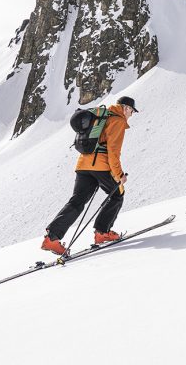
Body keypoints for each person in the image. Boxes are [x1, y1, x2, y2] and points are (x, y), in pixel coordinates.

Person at [41, 96, 139, 255]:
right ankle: (102, 232)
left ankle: (52, 238)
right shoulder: (117, 121)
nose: (131, 114)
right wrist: (119, 175)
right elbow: (113, 152)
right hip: (100, 166)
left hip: (83, 165)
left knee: (77, 201)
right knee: (117, 195)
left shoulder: (102, 116)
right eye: (132, 111)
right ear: (126, 108)